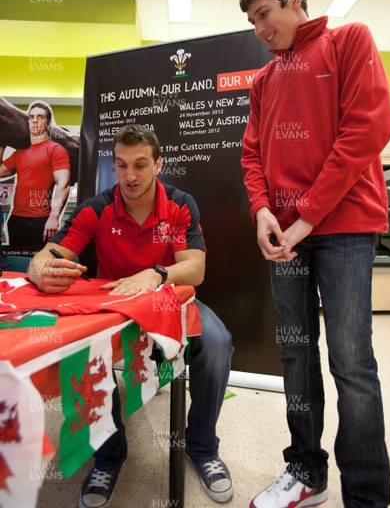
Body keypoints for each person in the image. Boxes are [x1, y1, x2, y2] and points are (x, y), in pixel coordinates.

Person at [239, 0, 390, 508]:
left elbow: (369, 127)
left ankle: (368, 495)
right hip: (285, 235)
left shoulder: (349, 41)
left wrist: (305, 215)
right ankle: (305, 471)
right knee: (297, 357)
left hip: (344, 227)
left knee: (351, 362)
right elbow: (251, 152)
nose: (259, 30)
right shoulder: (263, 81)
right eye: (252, 22)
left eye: (264, 14)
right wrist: (262, 210)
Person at [28, 124, 234, 507]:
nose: (130, 175)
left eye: (140, 164)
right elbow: (49, 255)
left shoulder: (180, 204)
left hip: (170, 302)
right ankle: (109, 453)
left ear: (159, 164)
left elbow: (196, 269)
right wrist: (40, 271)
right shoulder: (97, 207)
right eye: (121, 165)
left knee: (218, 343)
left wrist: (155, 274)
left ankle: (202, 447)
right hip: (115, 307)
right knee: (84, 345)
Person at [0, 100, 70, 247]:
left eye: (40, 117)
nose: (35, 121)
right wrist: (2, 142)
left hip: (41, 221)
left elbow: (63, 184)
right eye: (31, 117)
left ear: (49, 123)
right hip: (16, 219)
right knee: (18, 266)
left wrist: (54, 216)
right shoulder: (20, 153)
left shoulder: (55, 150)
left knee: (39, 266)